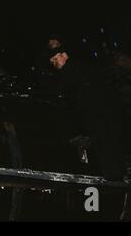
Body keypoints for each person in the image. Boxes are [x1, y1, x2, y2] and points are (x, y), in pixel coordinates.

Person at [47, 46, 125, 180]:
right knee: (108, 140)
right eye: (52, 61)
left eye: (56, 58)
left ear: (65, 55)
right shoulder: (80, 67)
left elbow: (68, 93)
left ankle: (112, 173)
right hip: (100, 110)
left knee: (103, 141)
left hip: (95, 111)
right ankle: (116, 172)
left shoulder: (71, 69)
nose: (55, 63)